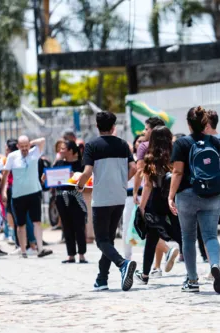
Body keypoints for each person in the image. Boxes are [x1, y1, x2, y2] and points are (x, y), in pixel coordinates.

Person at [78, 111, 137, 292]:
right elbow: (134, 168)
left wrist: (79, 185)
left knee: (101, 241)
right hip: (119, 196)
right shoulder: (123, 145)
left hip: (102, 198)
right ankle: (102, 279)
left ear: (97, 126)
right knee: (109, 239)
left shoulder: (92, 146)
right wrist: (121, 182)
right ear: (113, 127)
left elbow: (87, 172)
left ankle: (122, 264)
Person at [168, 106, 220, 294]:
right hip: (213, 194)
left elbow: (177, 172)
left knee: (188, 237)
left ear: (188, 124)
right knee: (210, 236)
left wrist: (170, 196)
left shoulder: (182, 143)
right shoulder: (215, 142)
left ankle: (192, 280)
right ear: (205, 124)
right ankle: (215, 265)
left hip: (187, 194)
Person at [134, 126, 182, 284]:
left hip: (155, 199)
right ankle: (191, 273)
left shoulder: (150, 157)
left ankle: (145, 274)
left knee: (152, 237)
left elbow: (147, 185)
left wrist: (141, 206)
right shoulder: (175, 154)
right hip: (173, 196)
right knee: (181, 234)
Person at [0, 136, 53, 258]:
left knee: (37, 222)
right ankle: (23, 250)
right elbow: (5, 175)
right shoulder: (12, 156)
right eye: (22, 147)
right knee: (21, 224)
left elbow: (43, 140)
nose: (24, 149)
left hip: (34, 192)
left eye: (26, 146)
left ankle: (40, 249)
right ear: (18, 146)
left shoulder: (35, 152)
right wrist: (3, 191)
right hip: (18, 195)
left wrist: (31, 143)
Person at [133, 117, 169, 276]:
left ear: (153, 130)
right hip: (171, 194)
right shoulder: (172, 146)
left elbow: (141, 175)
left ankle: (167, 253)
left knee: (152, 232)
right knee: (165, 230)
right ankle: (155, 268)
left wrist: (137, 195)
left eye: (146, 129)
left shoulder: (144, 147)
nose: (144, 132)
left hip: (154, 195)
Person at [52, 141, 87, 264]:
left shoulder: (81, 164)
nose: (60, 151)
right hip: (61, 197)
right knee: (66, 226)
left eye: (63, 148)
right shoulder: (59, 163)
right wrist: (45, 177)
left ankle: (81, 254)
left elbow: (86, 181)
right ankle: (70, 254)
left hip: (75, 197)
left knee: (79, 225)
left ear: (71, 151)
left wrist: (75, 177)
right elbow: (51, 178)